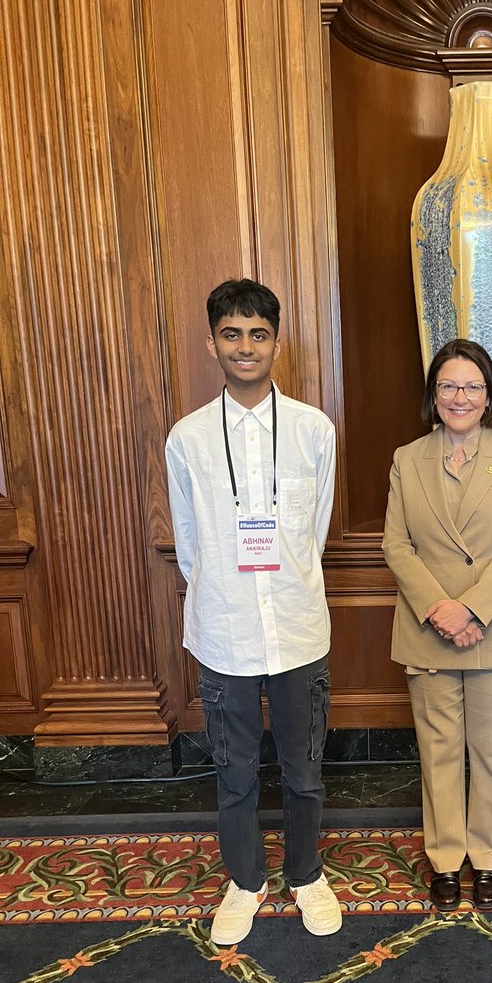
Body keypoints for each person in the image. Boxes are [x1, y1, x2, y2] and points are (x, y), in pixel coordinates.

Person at [165, 278, 342, 945]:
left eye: (258, 333)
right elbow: (191, 546)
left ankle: (306, 873)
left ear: (275, 342)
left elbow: (314, 532)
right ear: (213, 343)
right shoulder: (187, 440)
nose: (245, 346)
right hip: (226, 631)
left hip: (298, 628)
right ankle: (245, 880)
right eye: (232, 333)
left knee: (304, 771)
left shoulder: (312, 431)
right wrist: (224, 596)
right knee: (234, 774)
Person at [382, 339, 492, 912]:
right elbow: (395, 546)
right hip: (428, 628)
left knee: (490, 753)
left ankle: (488, 858)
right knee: (439, 752)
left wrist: (470, 609)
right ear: (433, 394)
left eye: (473, 386)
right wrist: (441, 609)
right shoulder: (407, 458)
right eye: (449, 385)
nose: (460, 396)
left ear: (489, 395)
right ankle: (447, 861)